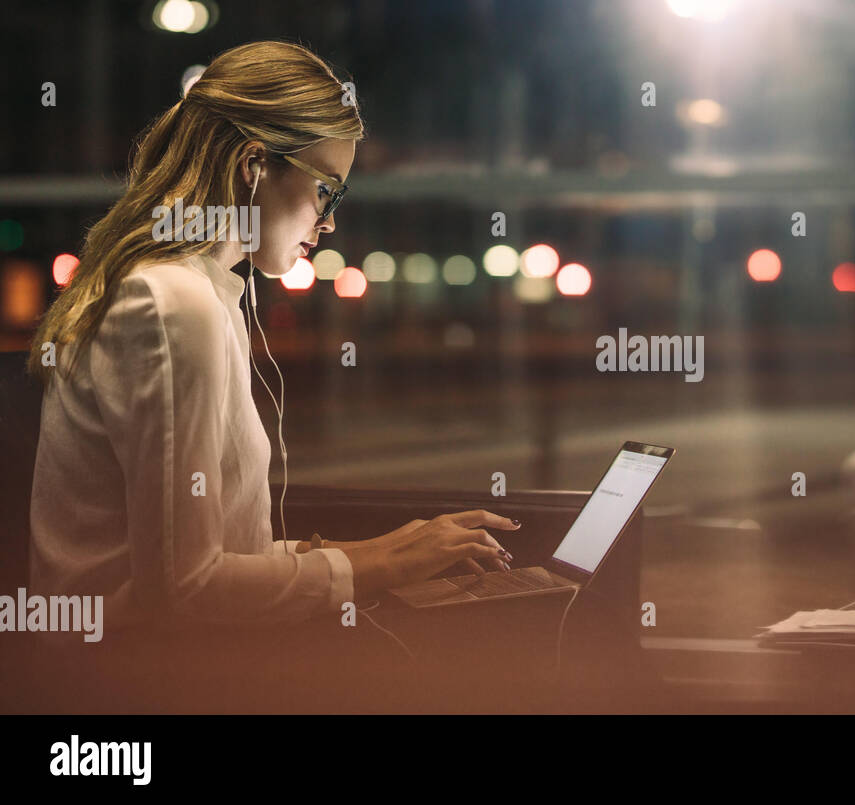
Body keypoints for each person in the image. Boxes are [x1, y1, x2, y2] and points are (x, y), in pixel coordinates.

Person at [25, 41, 514, 644]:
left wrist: (389, 548)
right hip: (130, 679)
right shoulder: (173, 304)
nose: (329, 221)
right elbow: (187, 589)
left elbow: (209, 558)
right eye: (326, 190)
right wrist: (384, 564)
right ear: (254, 166)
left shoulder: (196, 294)